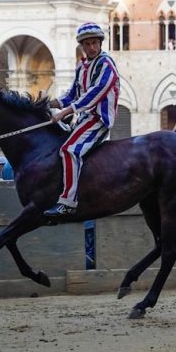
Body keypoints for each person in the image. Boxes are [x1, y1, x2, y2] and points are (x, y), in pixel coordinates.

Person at [44, 22, 120, 218]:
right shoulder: (82, 67)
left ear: (100, 43)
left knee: (69, 150)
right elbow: (72, 94)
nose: (92, 47)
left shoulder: (106, 64)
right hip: (83, 118)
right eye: (88, 44)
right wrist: (50, 103)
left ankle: (68, 202)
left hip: (99, 119)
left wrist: (65, 112)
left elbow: (95, 94)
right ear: (82, 46)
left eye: (95, 43)